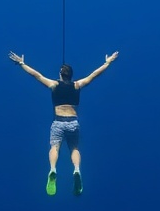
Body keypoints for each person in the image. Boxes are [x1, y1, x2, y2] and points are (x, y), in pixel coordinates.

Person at [8, 50, 119, 195]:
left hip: (58, 122)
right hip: (73, 122)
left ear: (61, 74)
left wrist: (22, 63)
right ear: (71, 75)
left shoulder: (54, 84)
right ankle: (77, 169)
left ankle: (53, 169)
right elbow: (94, 75)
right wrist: (107, 63)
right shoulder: (77, 85)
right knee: (74, 148)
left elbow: (36, 75)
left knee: (55, 147)